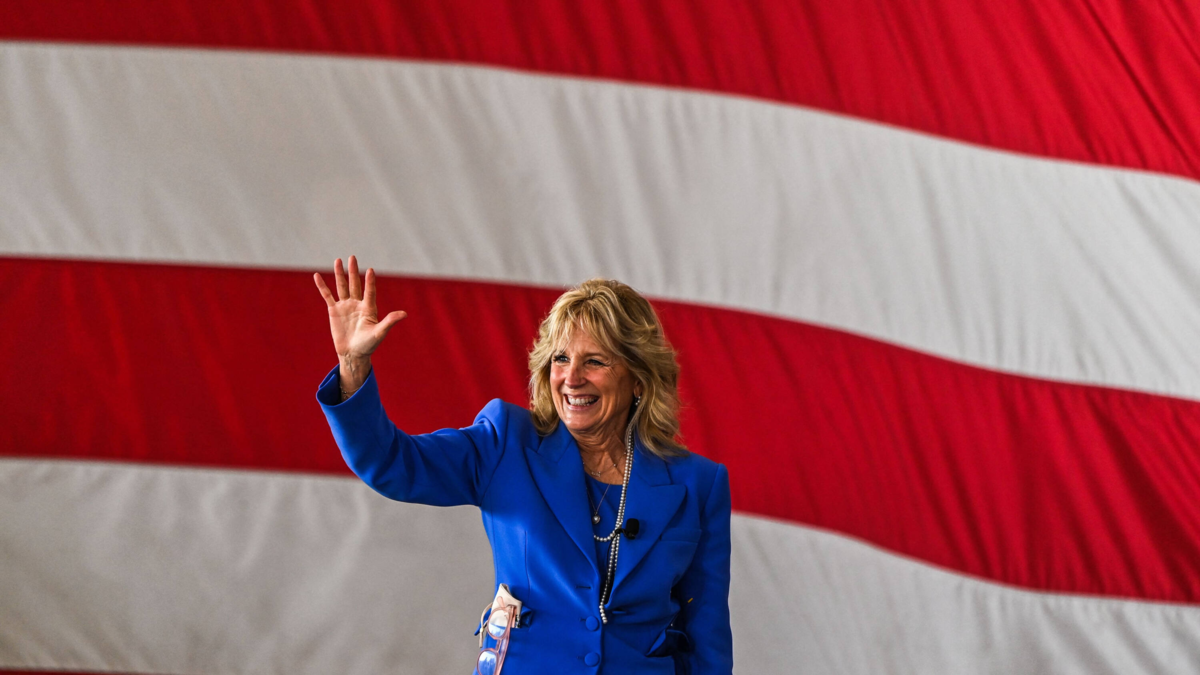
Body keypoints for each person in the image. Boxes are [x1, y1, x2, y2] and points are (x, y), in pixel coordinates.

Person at [313, 256, 733, 674]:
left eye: (595, 361)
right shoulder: (505, 443)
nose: (572, 378)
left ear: (638, 378)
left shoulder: (699, 484)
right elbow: (392, 464)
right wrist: (353, 365)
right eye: (561, 359)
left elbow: (706, 633)